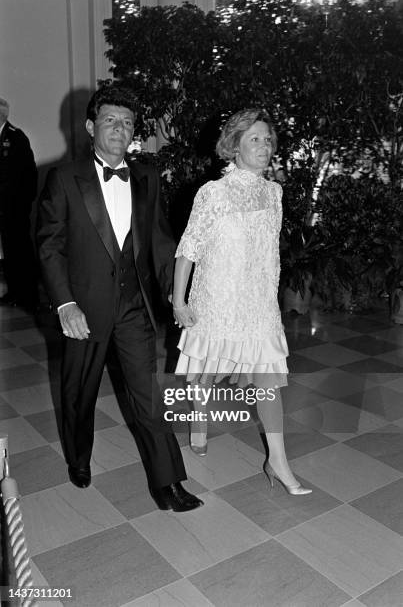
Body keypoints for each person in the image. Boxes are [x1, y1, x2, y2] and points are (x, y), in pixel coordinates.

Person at [36, 85, 203, 512]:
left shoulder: (146, 176)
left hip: (134, 307)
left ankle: (169, 483)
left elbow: (161, 243)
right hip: (84, 309)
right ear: (91, 126)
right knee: (79, 392)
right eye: (110, 120)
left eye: (127, 122)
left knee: (149, 394)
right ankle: (78, 458)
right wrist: (64, 303)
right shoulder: (64, 177)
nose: (119, 128)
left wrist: (176, 291)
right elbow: (50, 245)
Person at [172, 109, 312, 496]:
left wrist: (270, 300)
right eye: (254, 139)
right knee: (206, 369)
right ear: (233, 146)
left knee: (269, 379)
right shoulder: (212, 193)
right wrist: (179, 301)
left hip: (258, 302)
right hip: (217, 295)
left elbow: (272, 253)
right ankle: (199, 420)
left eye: (268, 139)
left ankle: (278, 460)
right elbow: (189, 249)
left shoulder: (274, 192)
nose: (264, 146)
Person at [0, 98, 38, 309]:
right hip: (3, 209)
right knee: (9, 250)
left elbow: (28, 175)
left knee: (20, 251)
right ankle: (15, 292)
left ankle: (29, 296)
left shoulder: (16, 137)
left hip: (15, 208)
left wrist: (23, 204)